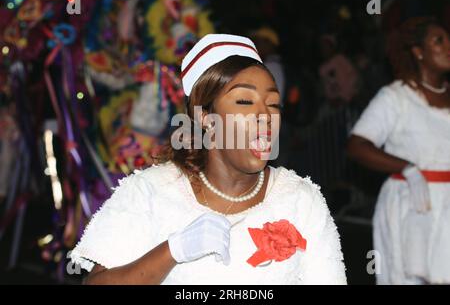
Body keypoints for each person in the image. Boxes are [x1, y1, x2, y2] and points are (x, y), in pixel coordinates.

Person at [70, 34, 346, 285]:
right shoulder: (150, 192)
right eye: (245, 102)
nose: (265, 116)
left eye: (273, 104)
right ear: (206, 117)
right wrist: (173, 251)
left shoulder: (300, 199)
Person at [347, 17, 450, 284]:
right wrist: (407, 168)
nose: (448, 45)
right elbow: (357, 145)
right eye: (439, 41)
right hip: (411, 201)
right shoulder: (396, 97)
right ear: (418, 52)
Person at [251, 27, 286, 101]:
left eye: (258, 41)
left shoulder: (271, 67)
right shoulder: (269, 65)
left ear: (269, 43)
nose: (255, 45)